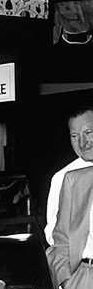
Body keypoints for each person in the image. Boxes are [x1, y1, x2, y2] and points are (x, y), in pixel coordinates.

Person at [44, 103, 93, 246]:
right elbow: (52, 233)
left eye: (88, 133)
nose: (82, 142)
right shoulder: (63, 177)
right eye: (74, 135)